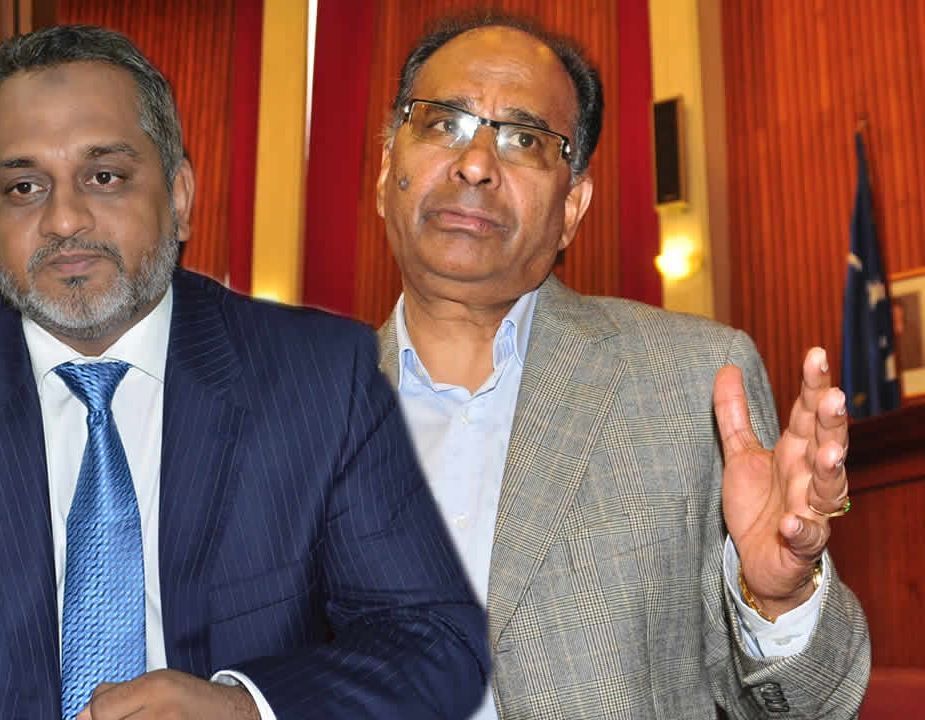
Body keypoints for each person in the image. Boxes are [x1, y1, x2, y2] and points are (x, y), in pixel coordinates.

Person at [0, 25, 489, 720]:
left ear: (179, 196)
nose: (64, 219)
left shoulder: (322, 376)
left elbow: (434, 646)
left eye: (104, 177)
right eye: (24, 186)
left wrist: (247, 705)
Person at [370, 13, 870, 719]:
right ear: (386, 172)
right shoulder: (295, 412)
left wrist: (778, 600)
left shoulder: (695, 383)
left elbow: (813, 705)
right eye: (443, 122)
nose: (475, 163)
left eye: (523, 138)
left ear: (572, 207)